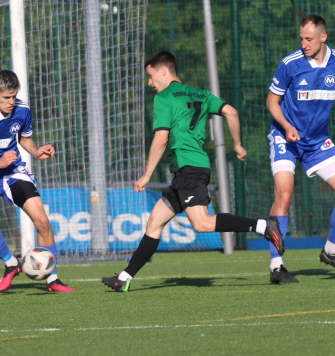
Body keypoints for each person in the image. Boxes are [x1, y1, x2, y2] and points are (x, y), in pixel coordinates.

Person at [101, 51, 284, 292]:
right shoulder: (201, 94)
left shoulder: (164, 97)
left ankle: (263, 226)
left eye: (150, 76)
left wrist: (147, 174)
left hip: (189, 169)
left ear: (163, 71)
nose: (150, 82)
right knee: (154, 223)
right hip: (191, 169)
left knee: (202, 224)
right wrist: (238, 144)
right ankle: (124, 279)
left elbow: (161, 139)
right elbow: (231, 112)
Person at [265, 14, 335, 284]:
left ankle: (331, 251)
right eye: (301, 38)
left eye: (309, 39)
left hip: (316, 141)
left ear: (323, 37)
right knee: (284, 194)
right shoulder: (290, 64)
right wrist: (286, 126)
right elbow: (272, 102)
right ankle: (277, 266)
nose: (304, 43)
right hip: (285, 138)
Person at [0, 69, 74, 292]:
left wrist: (36, 152)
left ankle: (52, 279)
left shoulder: (22, 109)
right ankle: (12, 264)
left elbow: (24, 138)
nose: (11, 102)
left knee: (42, 220)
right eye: (6, 97)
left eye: (14, 96)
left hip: (12, 170)